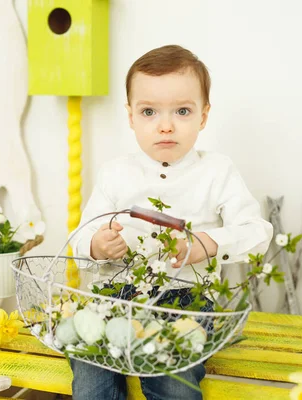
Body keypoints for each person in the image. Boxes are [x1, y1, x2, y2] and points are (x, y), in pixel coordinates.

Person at [71, 44, 273, 400]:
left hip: (186, 303)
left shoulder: (217, 171)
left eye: (182, 110)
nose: (165, 125)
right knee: (90, 373)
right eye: (149, 111)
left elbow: (256, 232)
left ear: (204, 116)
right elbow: (81, 235)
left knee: (172, 381)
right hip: (113, 300)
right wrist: (96, 244)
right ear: (131, 116)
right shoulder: (116, 173)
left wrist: (205, 244)